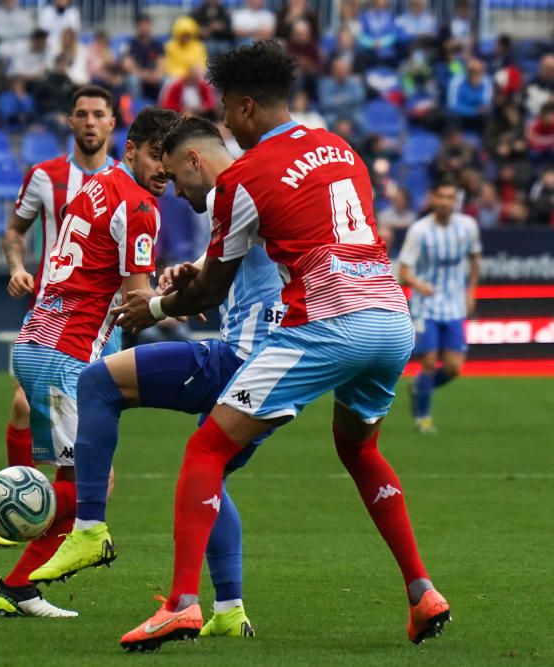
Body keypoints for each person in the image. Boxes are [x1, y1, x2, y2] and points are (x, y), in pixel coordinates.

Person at [75, 41, 449, 650]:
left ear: (246, 106)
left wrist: (157, 308)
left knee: (206, 450)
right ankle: (422, 590)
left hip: (325, 323)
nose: (226, 118)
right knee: (360, 451)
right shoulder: (341, 148)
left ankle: (181, 604)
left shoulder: (244, 176)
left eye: (226, 105)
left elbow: (213, 288)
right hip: (390, 317)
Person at [31, 115, 286, 639]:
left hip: (241, 359)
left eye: (174, 176)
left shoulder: (229, 191)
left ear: (194, 159)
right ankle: (231, 609)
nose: (174, 191)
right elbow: (240, 253)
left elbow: (212, 285)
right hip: (278, 366)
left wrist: (159, 304)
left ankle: (88, 528)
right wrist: (192, 265)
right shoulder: (260, 186)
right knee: (207, 477)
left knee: (99, 382)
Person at [0, 105, 175, 618]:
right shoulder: (141, 206)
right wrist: (176, 295)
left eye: (170, 161)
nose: (163, 171)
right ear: (131, 150)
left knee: (77, 486)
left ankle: (17, 587)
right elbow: (136, 305)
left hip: (39, 342)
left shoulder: (97, 183)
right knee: (90, 491)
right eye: (155, 157)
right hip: (67, 355)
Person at [0, 85, 118, 543]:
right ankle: (23, 509)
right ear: (70, 122)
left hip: (103, 324)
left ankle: (69, 516)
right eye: (81, 114)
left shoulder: (125, 181)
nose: (89, 121)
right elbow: (15, 230)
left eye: (98, 114)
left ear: (111, 123)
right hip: (49, 311)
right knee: (23, 405)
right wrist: (16, 267)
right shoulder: (45, 177)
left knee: (90, 427)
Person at [399, 180, 481, 434]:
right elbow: (403, 272)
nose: (445, 202)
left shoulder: (467, 226)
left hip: (455, 305)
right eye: (441, 197)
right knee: (429, 361)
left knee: (454, 367)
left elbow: (475, 258)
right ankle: (423, 418)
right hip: (426, 307)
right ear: (433, 199)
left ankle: (419, 387)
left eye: (450, 197)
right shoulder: (419, 231)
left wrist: (471, 293)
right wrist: (419, 285)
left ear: (455, 200)